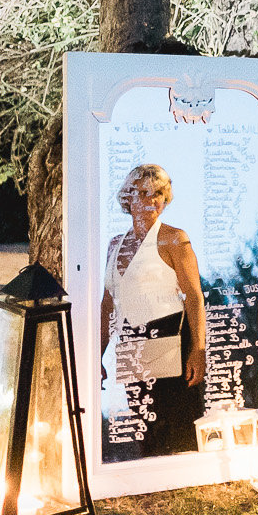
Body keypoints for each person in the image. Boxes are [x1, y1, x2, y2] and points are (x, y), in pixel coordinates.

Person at [98, 163, 207, 460]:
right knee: (145, 428)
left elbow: (194, 297)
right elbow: (108, 304)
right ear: (128, 199)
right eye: (144, 193)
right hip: (131, 343)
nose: (153, 200)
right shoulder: (114, 245)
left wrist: (198, 349)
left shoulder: (175, 238)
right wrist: (98, 354)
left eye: (159, 193)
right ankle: (151, 490)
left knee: (179, 427)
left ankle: (184, 488)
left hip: (170, 335)